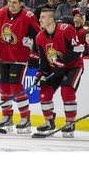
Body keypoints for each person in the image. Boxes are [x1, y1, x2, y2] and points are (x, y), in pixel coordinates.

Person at [0, 0, 41, 134]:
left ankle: (26, 118)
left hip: (19, 58)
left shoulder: (28, 17)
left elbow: (39, 36)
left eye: (14, 3)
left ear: (21, 3)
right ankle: (7, 117)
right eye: (9, 2)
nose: (10, 5)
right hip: (4, 57)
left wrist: (35, 54)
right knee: (4, 87)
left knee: (16, 87)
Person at [35, 8, 84, 138]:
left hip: (73, 66)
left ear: (51, 19)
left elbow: (78, 49)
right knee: (44, 91)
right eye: (40, 17)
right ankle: (49, 122)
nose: (40, 19)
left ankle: (69, 123)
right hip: (55, 68)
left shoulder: (66, 29)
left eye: (43, 17)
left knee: (67, 91)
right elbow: (44, 60)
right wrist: (42, 73)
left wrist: (62, 62)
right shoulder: (39, 37)